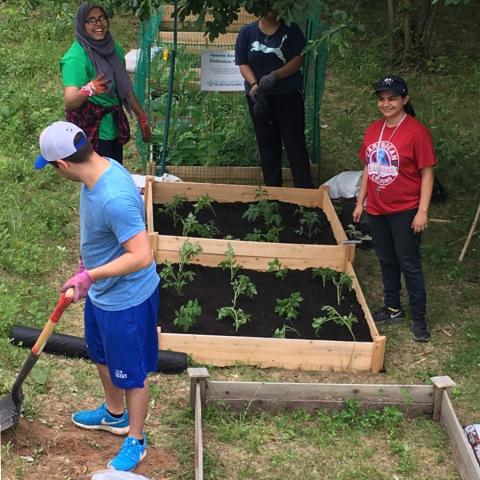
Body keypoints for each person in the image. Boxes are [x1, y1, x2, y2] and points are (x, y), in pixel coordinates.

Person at [34, 121, 160, 471]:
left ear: (62, 164)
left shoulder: (114, 196)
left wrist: (90, 275)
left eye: (52, 168)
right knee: (102, 353)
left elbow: (142, 254)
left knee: (132, 373)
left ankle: (136, 438)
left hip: (128, 300)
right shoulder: (98, 172)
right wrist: (84, 264)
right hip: (104, 294)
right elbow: (101, 235)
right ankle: (115, 413)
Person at [353, 75, 435, 342]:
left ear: (404, 100)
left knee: (408, 262)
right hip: (377, 208)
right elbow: (368, 167)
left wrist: (422, 210)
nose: (386, 104)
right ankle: (392, 308)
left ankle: (419, 318)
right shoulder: (373, 129)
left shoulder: (416, 132)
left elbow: (426, 172)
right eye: (381, 99)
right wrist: (360, 201)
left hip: (405, 209)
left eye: (392, 99)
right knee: (386, 259)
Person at [60, 3, 151, 165]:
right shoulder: (76, 58)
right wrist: (89, 89)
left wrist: (142, 117)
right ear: (82, 25)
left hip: (113, 126)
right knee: (99, 179)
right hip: (93, 129)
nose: (99, 24)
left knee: (113, 172)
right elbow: (70, 100)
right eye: (92, 20)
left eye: (102, 18)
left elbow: (125, 89)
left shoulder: (113, 49)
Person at [235, 12, 314, 188]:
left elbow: (298, 58)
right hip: (259, 98)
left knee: (295, 143)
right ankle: (273, 192)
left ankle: (304, 191)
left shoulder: (291, 29)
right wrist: (254, 85)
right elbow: (242, 63)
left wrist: (276, 76)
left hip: (287, 96)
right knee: (267, 144)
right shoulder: (247, 32)